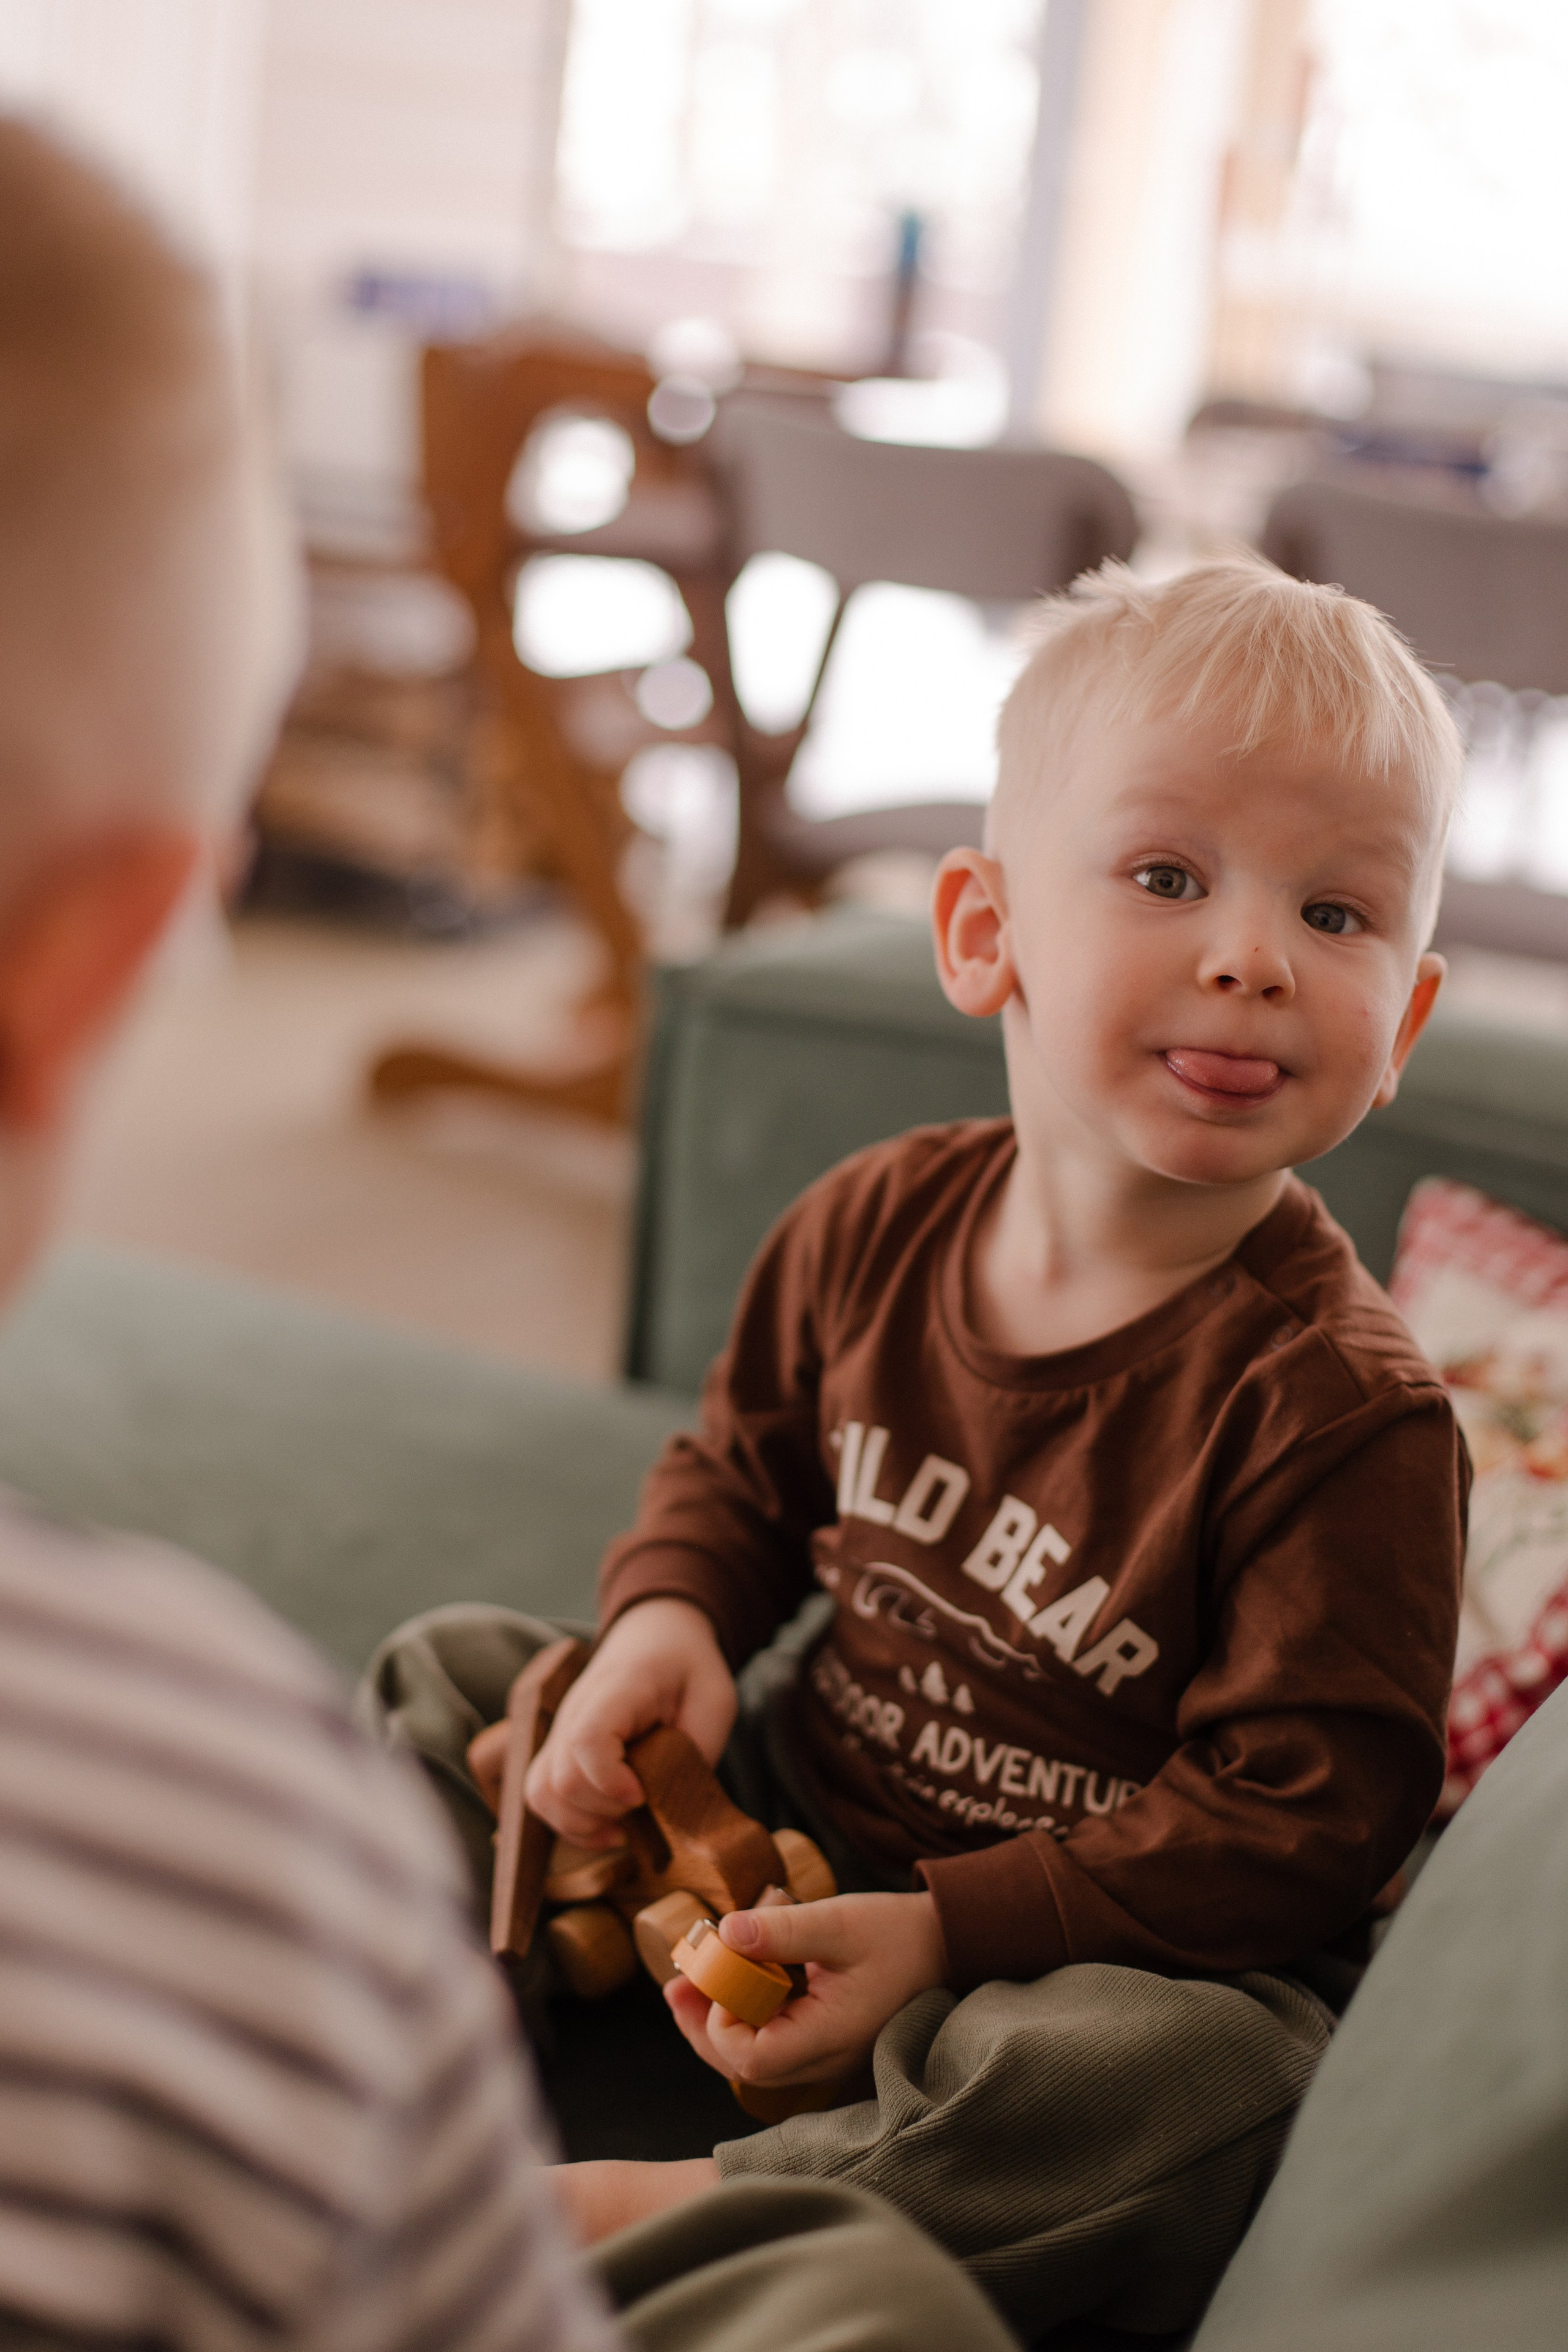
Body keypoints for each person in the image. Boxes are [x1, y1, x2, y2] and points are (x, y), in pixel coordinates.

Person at [0, 117, 1023, 2352]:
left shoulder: (1319, 1381)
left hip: (941, 1926)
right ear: (115, 960)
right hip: (514, 2069)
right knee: (850, 2283)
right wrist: (669, 1609)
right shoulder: (216, 1832)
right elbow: (739, 1472)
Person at [368, 556, 1471, 2341]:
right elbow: (739, 1475)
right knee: (469, 1682)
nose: (1252, 955)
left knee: (1203, 2081)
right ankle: (398, 2040)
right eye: (1168, 876)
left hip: (1068, 1966)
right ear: (985, 933)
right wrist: (670, 1632)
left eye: (1340, 917)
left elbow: (1301, 1834)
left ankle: (730, 2217)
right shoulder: (872, 1223)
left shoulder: (1347, 1416)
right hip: (796, 1821)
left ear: (1406, 1021)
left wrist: (954, 1934)